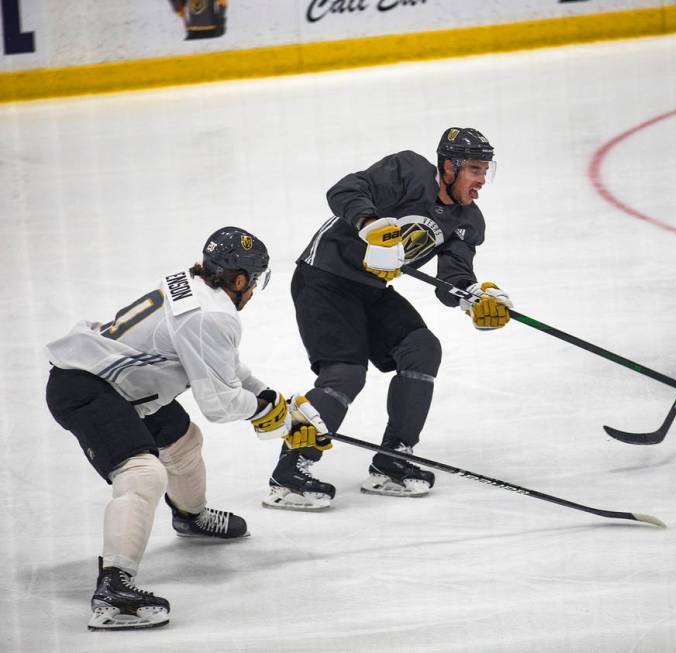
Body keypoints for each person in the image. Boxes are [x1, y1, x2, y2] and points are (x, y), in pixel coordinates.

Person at [45, 227, 299, 630]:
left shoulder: (196, 286)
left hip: (114, 381)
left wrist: (269, 396)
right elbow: (218, 404)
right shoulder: (212, 314)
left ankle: (190, 517)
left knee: (182, 442)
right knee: (144, 472)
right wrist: (272, 416)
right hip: (87, 387)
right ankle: (113, 591)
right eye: (253, 281)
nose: (252, 291)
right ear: (238, 280)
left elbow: (223, 365)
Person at [263, 127, 513, 511]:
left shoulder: (467, 220)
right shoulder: (409, 172)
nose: (481, 181)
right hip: (324, 280)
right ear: (449, 166)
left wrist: (475, 298)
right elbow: (344, 190)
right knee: (345, 375)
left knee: (421, 348)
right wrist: (369, 224)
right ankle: (289, 474)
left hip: (372, 291)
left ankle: (394, 460)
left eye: (485, 171)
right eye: (475, 170)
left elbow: (451, 281)